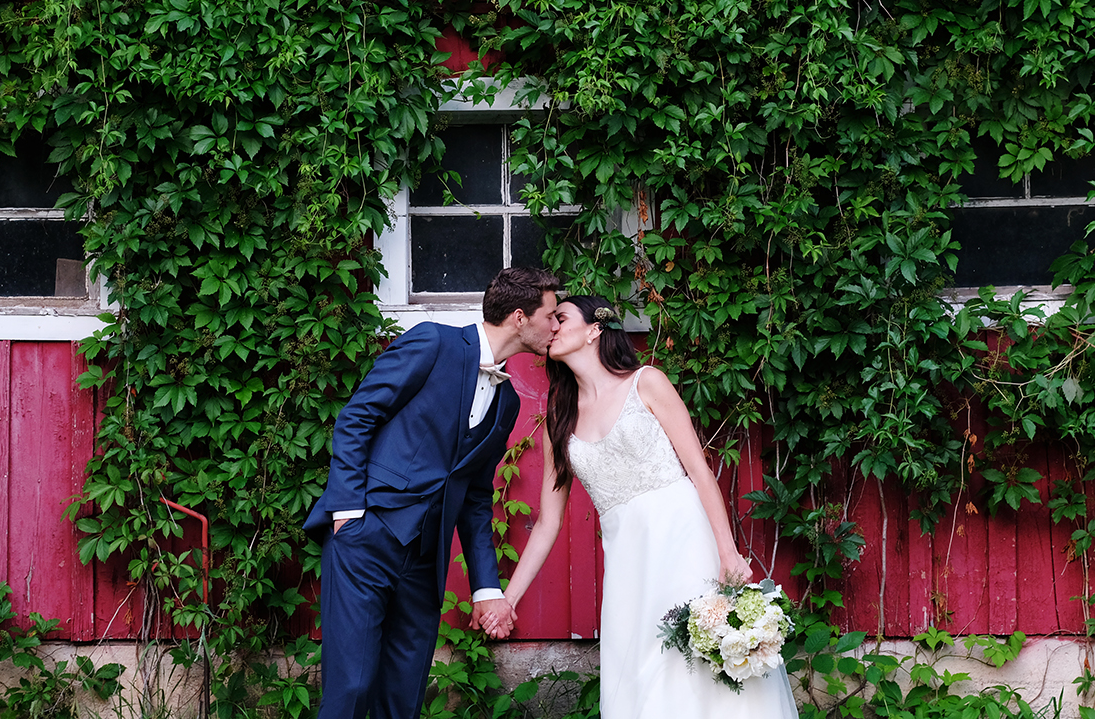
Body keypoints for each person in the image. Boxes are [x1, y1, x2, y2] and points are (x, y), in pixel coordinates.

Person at [500, 296, 796, 718]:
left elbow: (698, 470)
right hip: (628, 560)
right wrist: (509, 599)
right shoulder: (558, 421)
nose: (551, 327)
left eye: (561, 318)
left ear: (595, 329)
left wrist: (728, 552)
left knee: (700, 657)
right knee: (642, 667)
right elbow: (548, 523)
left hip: (683, 537)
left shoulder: (646, 382)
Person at [304, 267, 561, 719]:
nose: (557, 326)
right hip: (369, 536)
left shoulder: (508, 401)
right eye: (552, 315)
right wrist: (348, 512)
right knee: (353, 688)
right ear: (520, 317)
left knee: (402, 698)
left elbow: (477, 497)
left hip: (425, 560)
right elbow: (356, 418)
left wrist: (486, 588)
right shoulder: (433, 343)